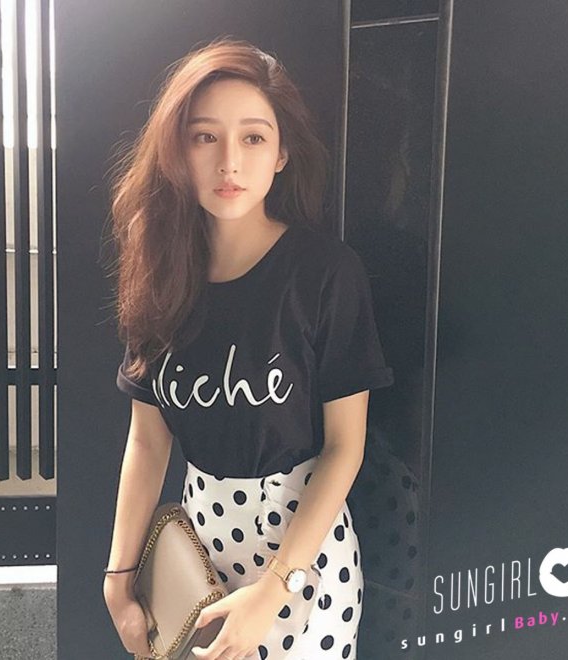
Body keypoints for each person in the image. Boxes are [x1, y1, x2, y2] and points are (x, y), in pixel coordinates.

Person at [102, 35, 394, 660]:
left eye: (254, 137)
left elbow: (345, 446)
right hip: (195, 556)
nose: (229, 162)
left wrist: (273, 591)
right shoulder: (159, 273)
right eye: (205, 137)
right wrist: (118, 577)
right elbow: (147, 441)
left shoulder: (325, 273)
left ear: (283, 151)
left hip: (303, 558)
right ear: (177, 150)